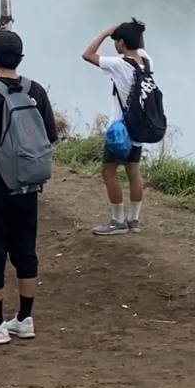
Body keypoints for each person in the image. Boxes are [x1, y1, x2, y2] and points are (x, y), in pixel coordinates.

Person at [0, 29, 58, 344]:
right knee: (25, 252)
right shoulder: (37, 90)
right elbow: (50, 136)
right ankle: (24, 319)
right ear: (19, 57)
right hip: (27, 188)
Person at [81, 19, 149, 236]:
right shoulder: (146, 62)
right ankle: (134, 220)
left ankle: (117, 220)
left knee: (108, 171)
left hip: (120, 130)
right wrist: (139, 34)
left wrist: (105, 32)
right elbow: (141, 49)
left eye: (116, 40)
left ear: (121, 42)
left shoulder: (120, 64)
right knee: (133, 172)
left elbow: (88, 54)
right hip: (138, 129)